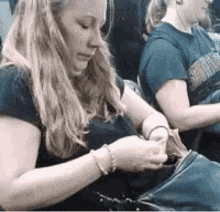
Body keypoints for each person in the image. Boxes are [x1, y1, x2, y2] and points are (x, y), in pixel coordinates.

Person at [1, 0, 220, 211]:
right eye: (85, 25)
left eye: (100, 26)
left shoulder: (93, 72)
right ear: (46, 24)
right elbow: (11, 193)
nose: (97, 41)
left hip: (154, 194)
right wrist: (110, 158)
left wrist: (157, 134)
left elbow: (149, 117)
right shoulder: (17, 83)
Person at [139, 0, 220, 142]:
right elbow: (180, 118)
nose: (210, 0)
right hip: (204, 147)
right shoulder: (162, 48)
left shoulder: (199, 32)